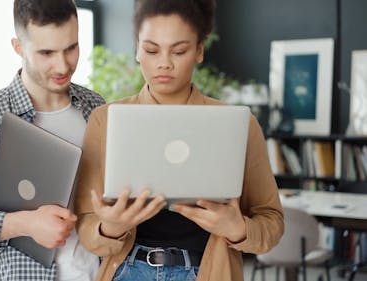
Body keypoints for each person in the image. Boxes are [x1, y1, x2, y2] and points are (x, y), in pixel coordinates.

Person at [74, 0, 284, 280]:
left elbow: (272, 223)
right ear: (137, 48)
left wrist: (238, 229)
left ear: (199, 50)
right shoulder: (105, 120)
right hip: (128, 270)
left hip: (208, 271)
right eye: (151, 49)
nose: (164, 63)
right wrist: (110, 227)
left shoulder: (240, 125)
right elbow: (87, 228)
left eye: (179, 50)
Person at [0, 0, 105, 280]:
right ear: (18, 47)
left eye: (71, 48)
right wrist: (25, 223)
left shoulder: (95, 107)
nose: (62, 65)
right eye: (46, 52)